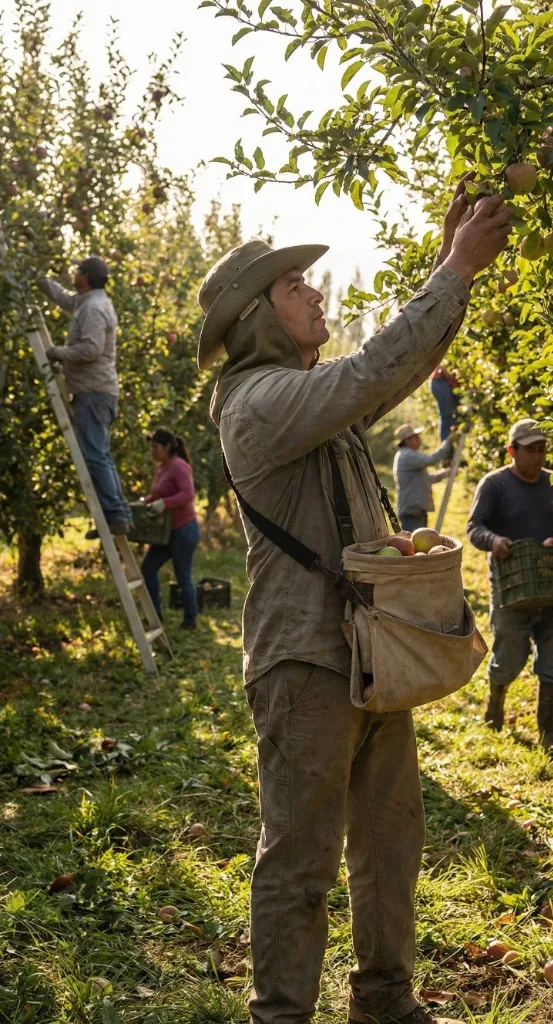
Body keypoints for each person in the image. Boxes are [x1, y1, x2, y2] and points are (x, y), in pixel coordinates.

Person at [198, 182, 511, 1024]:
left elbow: (390, 366)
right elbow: (376, 370)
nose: (313, 290)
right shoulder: (257, 401)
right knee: (300, 861)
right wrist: (453, 267)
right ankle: (281, 1015)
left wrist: (457, 269)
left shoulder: (310, 400)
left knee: (390, 843)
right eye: (292, 286)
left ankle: (382, 999)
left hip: (369, 652)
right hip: (304, 660)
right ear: (251, 317)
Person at [467, 418, 553, 748]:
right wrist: (493, 541)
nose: (538, 457)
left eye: (542, 450)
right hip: (511, 587)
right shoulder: (494, 485)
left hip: (548, 586)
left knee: (552, 663)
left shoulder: (551, 482)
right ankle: (495, 700)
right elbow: (475, 527)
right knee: (509, 658)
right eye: (530, 450)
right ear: (511, 451)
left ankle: (548, 735)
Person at [38, 255, 133, 537]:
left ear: (87, 277)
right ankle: (119, 516)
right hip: (96, 391)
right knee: (100, 454)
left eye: (78, 270)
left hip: (93, 392)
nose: (73, 273)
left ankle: (115, 516)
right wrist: (35, 276)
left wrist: (58, 353)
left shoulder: (93, 308)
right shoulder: (87, 302)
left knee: (95, 456)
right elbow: (62, 297)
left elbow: (91, 349)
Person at [141, 428, 200, 629]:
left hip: (184, 529)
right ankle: (155, 615)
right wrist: (145, 502)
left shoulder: (178, 466)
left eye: (156, 447)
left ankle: (190, 620)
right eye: (151, 447)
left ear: (167, 446)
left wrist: (164, 503)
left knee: (182, 576)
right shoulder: (161, 467)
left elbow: (187, 494)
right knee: (148, 568)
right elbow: (157, 494)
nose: (153, 452)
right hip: (165, 532)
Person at [393, 424, 454, 532]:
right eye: (416, 437)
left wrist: (446, 472)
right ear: (407, 440)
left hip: (415, 509)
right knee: (415, 545)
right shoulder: (407, 455)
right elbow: (431, 459)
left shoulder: (408, 456)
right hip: (412, 511)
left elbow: (428, 479)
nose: (419, 439)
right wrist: (448, 442)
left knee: (420, 543)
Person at [429, 364, 460, 441]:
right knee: (446, 415)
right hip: (440, 382)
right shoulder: (452, 357)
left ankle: (452, 437)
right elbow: (445, 370)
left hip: (443, 383)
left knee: (454, 412)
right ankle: (445, 443)